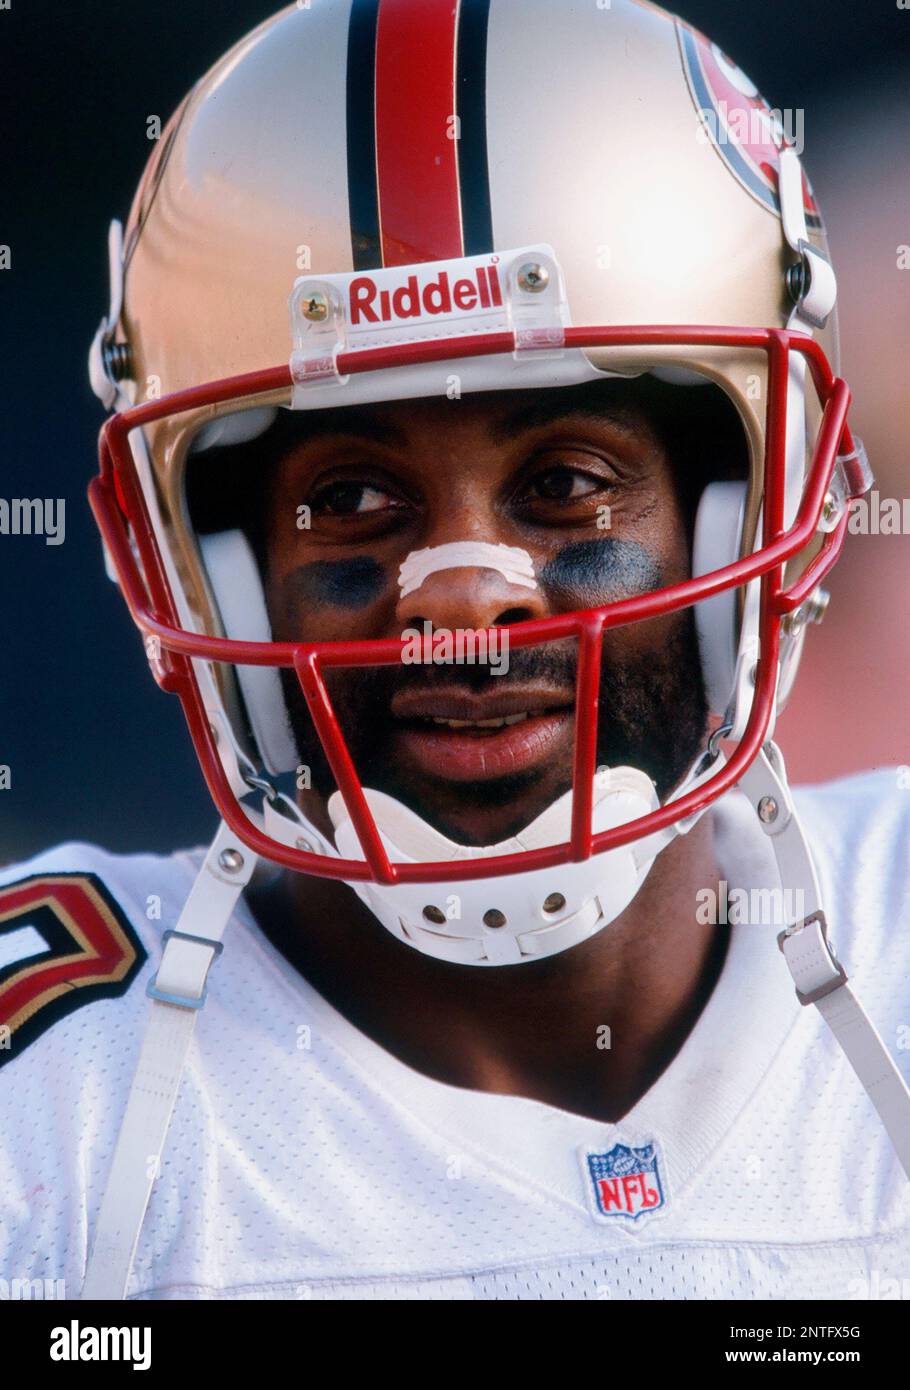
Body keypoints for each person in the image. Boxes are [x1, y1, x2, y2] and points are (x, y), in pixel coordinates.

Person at [2, 0, 908, 1302]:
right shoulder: (60, 1110)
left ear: (751, 499)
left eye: (567, 479)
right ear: (205, 554)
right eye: (354, 499)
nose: (465, 606)